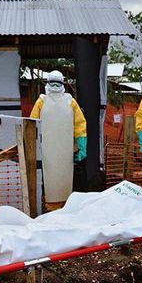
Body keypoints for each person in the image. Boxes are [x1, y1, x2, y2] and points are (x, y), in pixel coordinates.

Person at [29, 70, 87, 211]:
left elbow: (31, 124)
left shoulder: (43, 101)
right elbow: (80, 125)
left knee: (57, 178)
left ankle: (57, 206)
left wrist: (81, 145)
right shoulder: (68, 101)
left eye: (56, 83)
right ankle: (58, 206)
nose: (54, 86)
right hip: (58, 149)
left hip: (54, 150)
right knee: (59, 178)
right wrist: (81, 145)